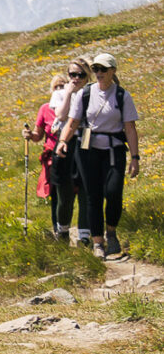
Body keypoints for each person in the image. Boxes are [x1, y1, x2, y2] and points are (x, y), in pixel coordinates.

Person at [57, 53, 141, 259]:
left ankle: (111, 231)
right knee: (93, 195)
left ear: (113, 71)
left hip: (114, 150)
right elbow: (73, 122)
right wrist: (62, 141)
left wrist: (135, 158)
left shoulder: (122, 96)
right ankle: (98, 243)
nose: (99, 73)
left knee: (113, 192)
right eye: (96, 70)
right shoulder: (84, 94)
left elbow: (130, 128)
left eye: (103, 69)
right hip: (88, 151)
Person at [28, 70, 80, 240]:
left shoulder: (74, 105)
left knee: (71, 191)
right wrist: (29, 135)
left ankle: (72, 227)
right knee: (55, 193)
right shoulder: (44, 109)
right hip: (51, 155)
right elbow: (38, 135)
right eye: (56, 86)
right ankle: (57, 228)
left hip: (70, 152)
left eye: (62, 85)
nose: (59, 88)